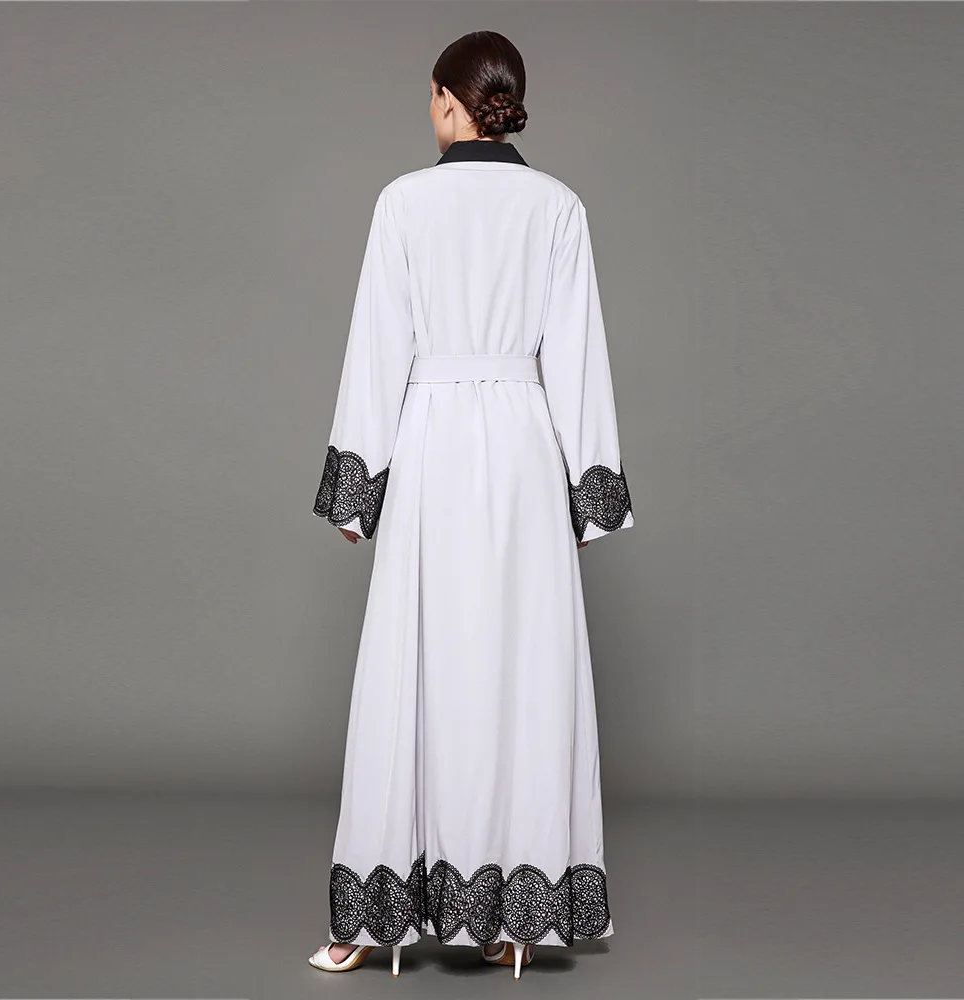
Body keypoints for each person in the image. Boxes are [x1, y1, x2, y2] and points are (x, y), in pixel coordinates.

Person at [308, 30, 633, 980]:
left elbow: (379, 344)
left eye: (431, 97)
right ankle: (508, 922)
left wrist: (357, 488)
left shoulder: (403, 202)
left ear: (451, 100)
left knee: (417, 664)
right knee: (520, 672)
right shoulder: (558, 205)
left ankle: (376, 921)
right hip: (527, 446)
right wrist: (591, 494)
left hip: (433, 443)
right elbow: (577, 353)